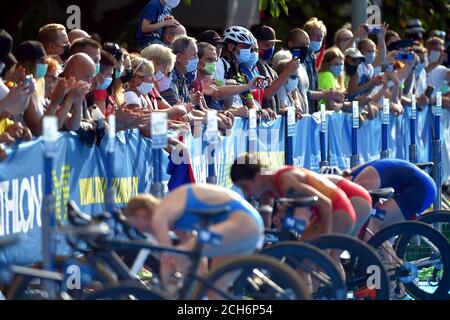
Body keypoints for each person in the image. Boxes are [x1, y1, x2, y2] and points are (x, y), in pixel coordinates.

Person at [124, 184, 264, 293]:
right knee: (214, 292)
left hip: (243, 222)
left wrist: (168, 289)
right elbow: (197, 254)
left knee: (181, 253)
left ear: (141, 214)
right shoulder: (175, 217)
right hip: (248, 225)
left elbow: (168, 256)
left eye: (134, 224)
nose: (139, 230)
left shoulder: (160, 215)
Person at [230, 153, 356, 240]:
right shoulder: (265, 188)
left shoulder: (285, 182)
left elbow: (326, 204)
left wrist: (325, 243)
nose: (245, 193)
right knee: (302, 262)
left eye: (245, 187)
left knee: (320, 261)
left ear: (257, 176)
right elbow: (265, 225)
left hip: (338, 209)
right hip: (327, 210)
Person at [344, 159, 437, 235]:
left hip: (420, 189)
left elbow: (365, 211)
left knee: (371, 226)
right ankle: (388, 258)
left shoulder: (361, 182)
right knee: (378, 228)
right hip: (421, 185)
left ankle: (376, 258)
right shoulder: (354, 173)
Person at [287, 28, 344, 114]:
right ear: (290, 44)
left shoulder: (302, 66)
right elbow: (294, 92)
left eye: (307, 44)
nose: (305, 47)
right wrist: (324, 94)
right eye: (302, 44)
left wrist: (327, 93)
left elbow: (306, 92)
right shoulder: (286, 63)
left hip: (306, 116)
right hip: (293, 118)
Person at [252, 25, 299, 115]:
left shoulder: (272, 71)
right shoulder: (254, 68)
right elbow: (266, 94)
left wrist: (284, 112)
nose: (270, 48)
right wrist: (287, 72)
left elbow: (273, 103)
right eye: (266, 45)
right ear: (256, 43)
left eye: (272, 45)